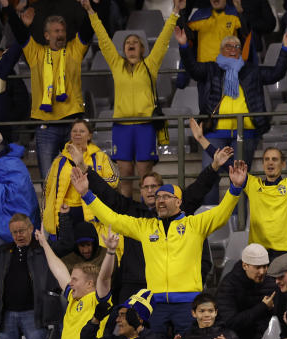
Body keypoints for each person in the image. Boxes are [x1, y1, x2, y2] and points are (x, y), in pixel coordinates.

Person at [77, 161, 248, 334]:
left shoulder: (195, 224)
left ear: (179, 202)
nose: (160, 200)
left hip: (187, 303)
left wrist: (235, 188)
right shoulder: (145, 227)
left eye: (166, 197)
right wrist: (86, 194)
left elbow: (222, 213)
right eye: (158, 197)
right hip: (155, 304)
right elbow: (112, 219)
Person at [76, 125, 233, 302]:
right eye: (146, 187)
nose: (151, 191)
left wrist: (214, 166)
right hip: (134, 284)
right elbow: (107, 194)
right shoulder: (132, 211)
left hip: (174, 289)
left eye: (155, 187)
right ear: (140, 190)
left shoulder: (181, 210)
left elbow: (199, 187)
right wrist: (85, 169)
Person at [175, 26, 287, 198]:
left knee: (241, 179)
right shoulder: (211, 69)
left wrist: (286, 48)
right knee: (210, 176)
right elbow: (192, 68)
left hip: (245, 132)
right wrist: (184, 46)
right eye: (228, 46)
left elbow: (276, 73)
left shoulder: (251, 70)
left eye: (236, 47)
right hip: (215, 132)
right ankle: (210, 220)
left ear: (241, 51)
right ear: (222, 50)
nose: (232, 50)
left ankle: (240, 222)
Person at [84, 0, 181, 197]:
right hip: (122, 127)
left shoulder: (150, 65)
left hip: (145, 126)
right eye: (128, 43)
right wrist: (90, 11)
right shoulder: (116, 64)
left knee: (145, 175)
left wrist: (176, 12)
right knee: (125, 175)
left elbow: (162, 41)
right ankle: (127, 218)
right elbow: (103, 39)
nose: (131, 44)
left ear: (142, 49)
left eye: (135, 42)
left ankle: (148, 213)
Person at [10, 7, 93, 178]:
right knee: (49, 178)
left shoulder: (74, 50)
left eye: (62, 30)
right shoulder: (36, 53)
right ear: (47, 35)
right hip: (45, 125)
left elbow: (87, 29)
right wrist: (9, 11)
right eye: (56, 31)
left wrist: (92, 8)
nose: (60, 34)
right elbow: (20, 34)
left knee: (76, 175)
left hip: (72, 124)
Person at [37, 227, 114, 339]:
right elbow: (59, 271)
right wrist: (44, 244)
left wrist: (111, 252)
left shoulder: (97, 300)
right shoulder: (72, 297)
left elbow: (105, 277)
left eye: (75, 279)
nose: (70, 283)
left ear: (90, 284)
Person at [42, 119, 119, 235]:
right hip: (65, 211)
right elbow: (47, 188)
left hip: (93, 210)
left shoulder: (100, 157)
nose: (77, 134)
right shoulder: (59, 160)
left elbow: (114, 180)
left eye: (82, 131)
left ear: (89, 136)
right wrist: (44, 214)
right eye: (74, 131)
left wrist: (91, 179)